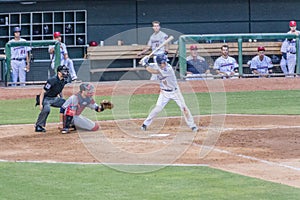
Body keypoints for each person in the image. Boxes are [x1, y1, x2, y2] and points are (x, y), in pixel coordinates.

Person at [140, 54, 198, 132]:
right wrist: (145, 61)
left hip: (175, 92)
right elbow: (150, 66)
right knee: (157, 109)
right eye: (163, 63)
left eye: (165, 62)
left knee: (184, 108)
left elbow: (153, 71)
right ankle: (145, 124)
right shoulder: (156, 65)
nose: (165, 64)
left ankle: (192, 125)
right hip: (164, 93)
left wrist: (145, 64)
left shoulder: (168, 69)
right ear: (159, 63)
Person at [35, 65, 69, 132]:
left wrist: (62, 99)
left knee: (67, 105)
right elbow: (42, 92)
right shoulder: (52, 80)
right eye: (64, 71)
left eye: (66, 71)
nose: (66, 73)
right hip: (46, 98)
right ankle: (38, 126)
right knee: (47, 109)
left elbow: (60, 90)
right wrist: (41, 104)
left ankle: (69, 123)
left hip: (54, 98)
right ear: (59, 73)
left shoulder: (64, 80)